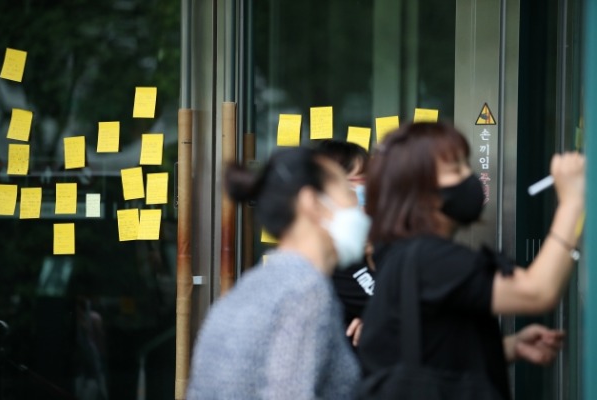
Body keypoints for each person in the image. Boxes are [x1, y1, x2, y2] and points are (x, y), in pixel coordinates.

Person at [358, 122, 582, 399]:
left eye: (467, 165)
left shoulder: (403, 253)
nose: (469, 177)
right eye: (455, 170)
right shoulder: (431, 258)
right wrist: (573, 202)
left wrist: (510, 347)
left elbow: (434, 352)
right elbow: (538, 292)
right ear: (418, 191)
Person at [186, 147, 370, 399]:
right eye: (350, 192)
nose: (363, 205)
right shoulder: (306, 292)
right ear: (312, 203)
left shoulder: (257, 284)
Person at [316, 139, 375, 347]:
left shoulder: (369, 244)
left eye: (368, 184)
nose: (365, 194)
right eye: (354, 185)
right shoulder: (329, 259)